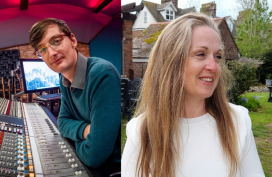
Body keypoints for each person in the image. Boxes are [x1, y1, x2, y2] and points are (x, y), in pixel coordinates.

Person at [121, 13, 264, 177]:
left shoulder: (238, 121)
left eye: (217, 56)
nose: (214, 66)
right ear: (172, 62)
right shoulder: (141, 131)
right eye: (201, 54)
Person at [29, 18, 121, 170]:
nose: (51, 52)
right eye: (43, 50)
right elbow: (63, 123)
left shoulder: (102, 74)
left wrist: (76, 137)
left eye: (56, 41)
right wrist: (86, 131)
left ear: (73, 40)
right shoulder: (63, 79)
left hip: (109, 168)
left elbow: (94, 155)